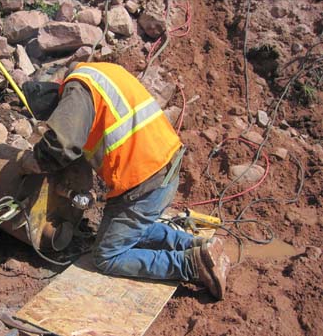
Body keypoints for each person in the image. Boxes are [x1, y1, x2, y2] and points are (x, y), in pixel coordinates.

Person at [19, 62, 230, 300]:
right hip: (165, 164)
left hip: (143, 181)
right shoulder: (101, 73)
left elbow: (63, 143)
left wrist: (37, 160)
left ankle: (189, 265)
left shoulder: (77, 88)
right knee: (132, 229)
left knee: (107, 255)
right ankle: (198, 245)